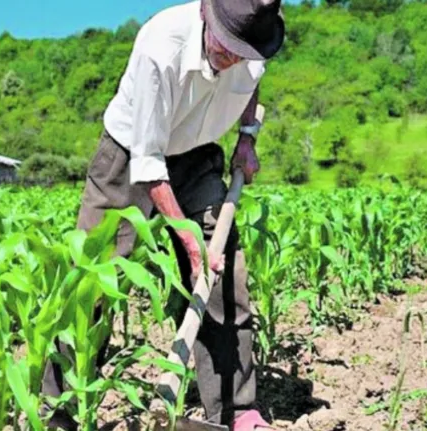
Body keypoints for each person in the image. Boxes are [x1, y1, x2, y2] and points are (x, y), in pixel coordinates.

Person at [40, 0, 284, 430]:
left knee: (225, 273)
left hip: (198, 151)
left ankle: (235, 408)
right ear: (207, 14)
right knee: (92, 281)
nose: (230, 57)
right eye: (225, 45)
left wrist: (247, 137)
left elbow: (252, 83)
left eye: (240, 51)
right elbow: (148, 164)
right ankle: (62, 410)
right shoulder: (160, 45)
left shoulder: (256, 37)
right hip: (130, 156)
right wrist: (191, 246)